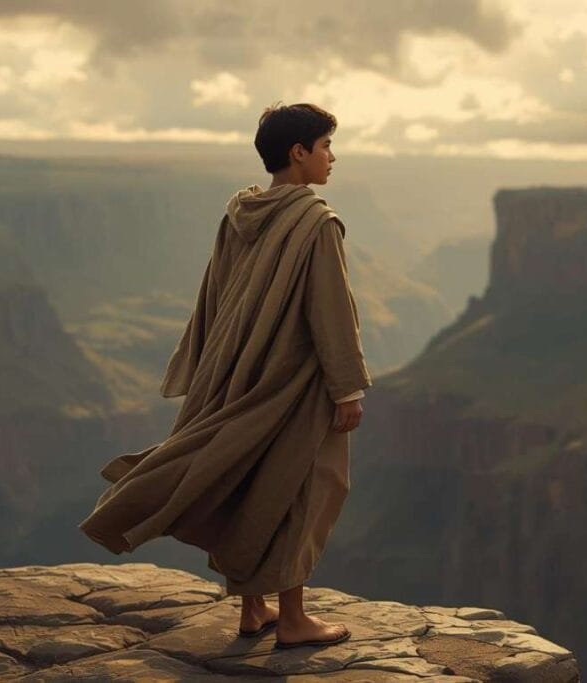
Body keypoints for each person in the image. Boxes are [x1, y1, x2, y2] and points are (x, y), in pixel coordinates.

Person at [78, 102, 372, 650]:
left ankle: (251, 609)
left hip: (235, 368)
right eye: (327, 145)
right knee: (304, 487)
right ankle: (293, 619)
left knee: (247, 482)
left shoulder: (240, 212)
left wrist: (211, 367)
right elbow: (331, 312)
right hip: (293, 384)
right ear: (298, 153)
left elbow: (212, 293)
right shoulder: (317, 223)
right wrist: (347, 388)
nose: (334, 156)